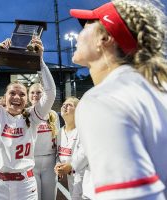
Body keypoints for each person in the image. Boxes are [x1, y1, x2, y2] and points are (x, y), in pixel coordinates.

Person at [69, 0, 167, 199]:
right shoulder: (155, 87)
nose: (79, 34)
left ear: (104, 38)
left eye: (87, 25)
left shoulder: (102, 99)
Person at [0, 37, 56, 200]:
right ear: (4, 97)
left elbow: (50, 92)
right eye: (12, 93)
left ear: (27, 99)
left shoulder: (33, 116)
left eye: (21, 94)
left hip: (25, 185)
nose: (17, 97)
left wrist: (39, 60)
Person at [29, 83, 59, 200]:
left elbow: (57, 138)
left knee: (50, 197)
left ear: (44, 95)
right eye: (32, 92)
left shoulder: (52, 114)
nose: (35, 95)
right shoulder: (25, 113)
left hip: (50, 162)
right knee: (34, 197)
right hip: (32, 162)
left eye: (38, 92)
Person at [54, 97, 89, 200]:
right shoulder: (59, 132)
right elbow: (57, 154)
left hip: (84, 176)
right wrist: (58, 165)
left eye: (69, 105)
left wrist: (70, 166)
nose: (65, 106)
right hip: (70, 177)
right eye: (64, 104)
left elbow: (85, 154)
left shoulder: (83, 129)